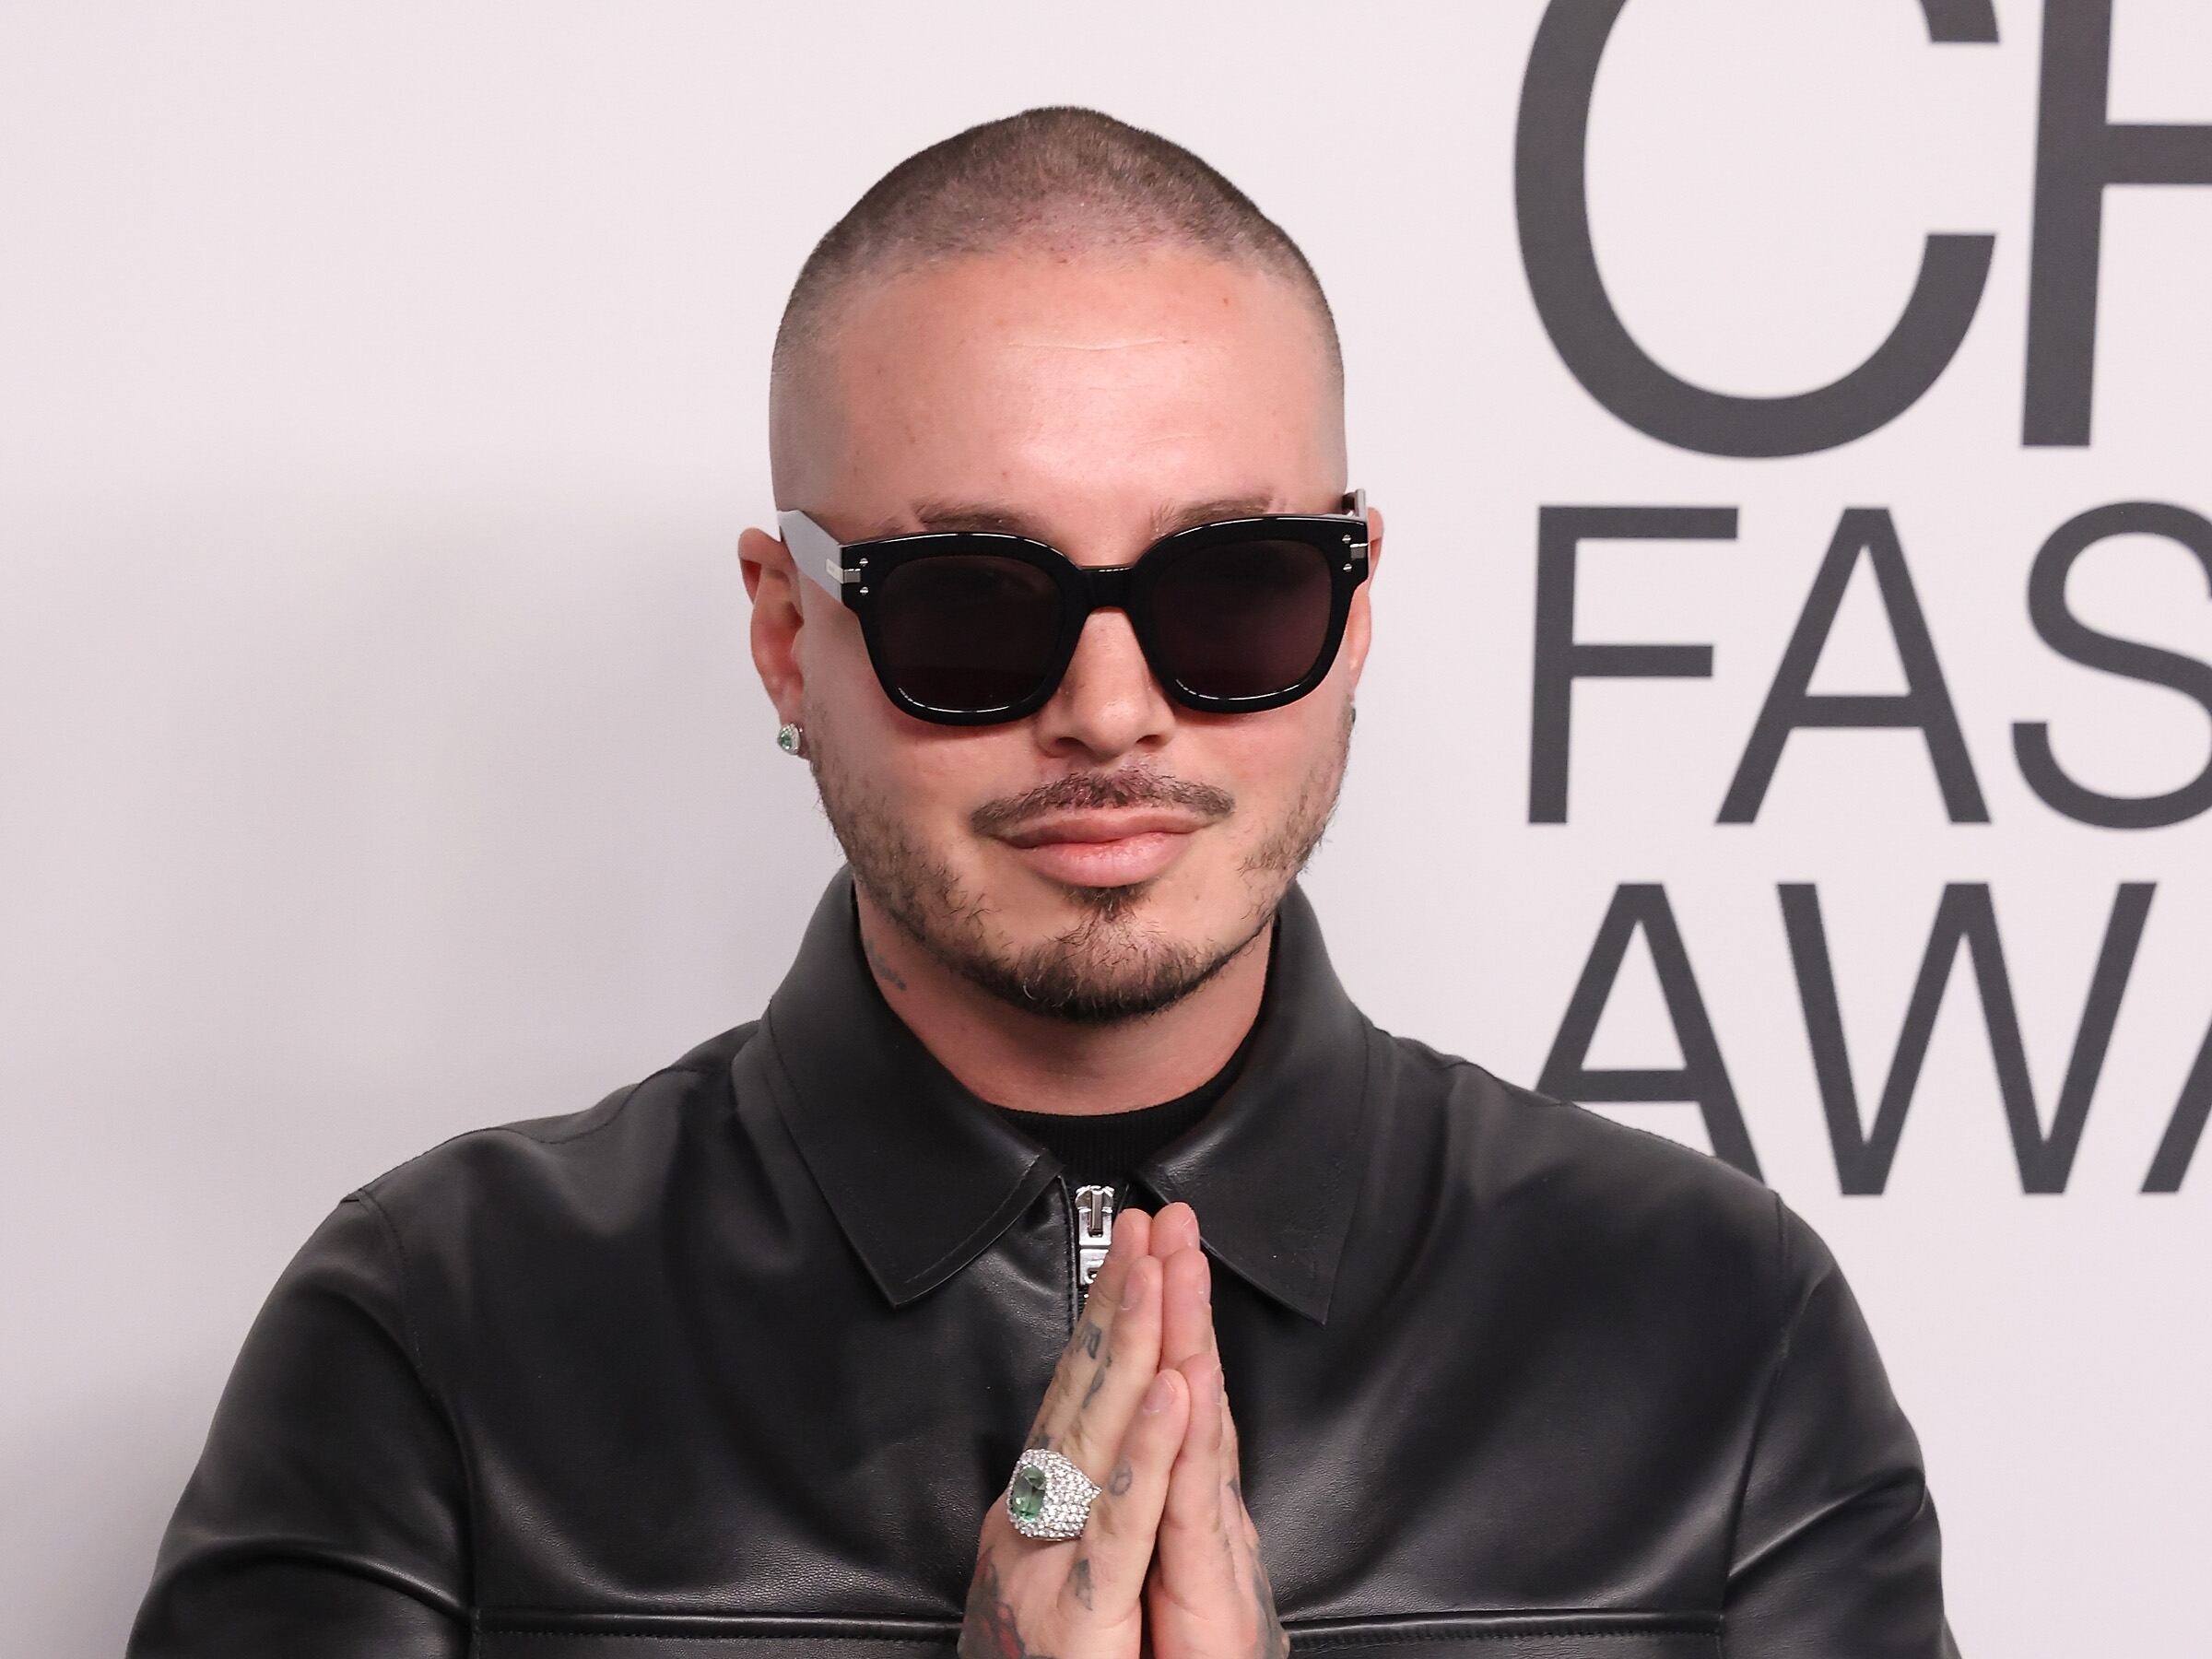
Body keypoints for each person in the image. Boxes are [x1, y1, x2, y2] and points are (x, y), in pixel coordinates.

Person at [128, 106, 1958, 1658]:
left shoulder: (1712, 1336)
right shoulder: (443, 1338)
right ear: (789, 636)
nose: (1108, 709)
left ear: (1353, 606)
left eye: (1234, 588)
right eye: (969, 608)